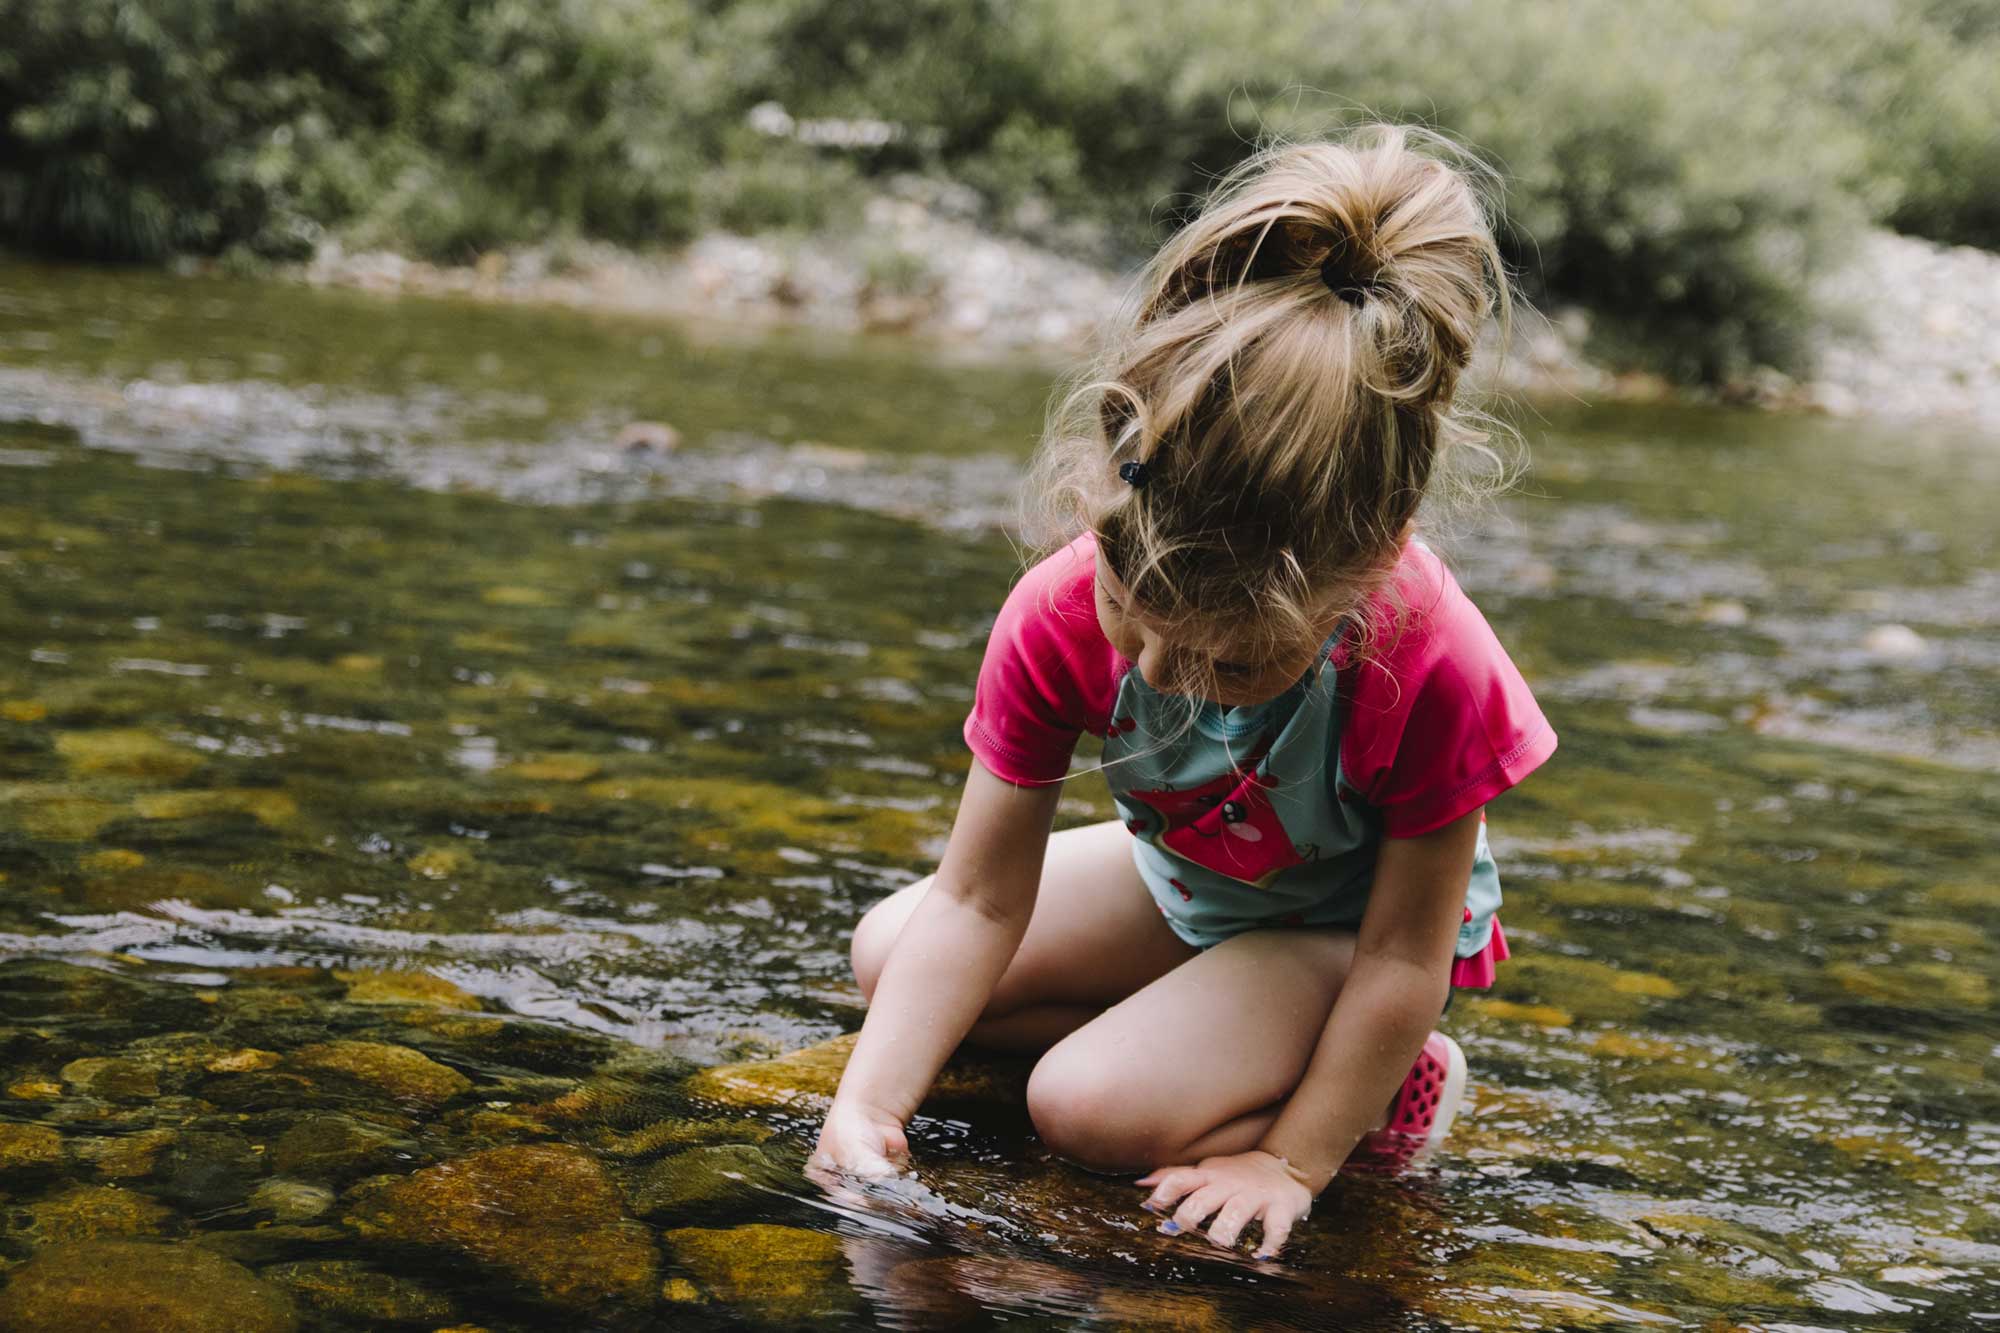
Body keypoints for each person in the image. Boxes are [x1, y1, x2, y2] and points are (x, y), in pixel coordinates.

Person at [809, 124, 1557, 1261]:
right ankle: (1204, 1037)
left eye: (1228, 664)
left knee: (1082, 1109)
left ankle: (1381, 1089)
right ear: (1103, 507)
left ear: (1364, 574)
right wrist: (865, 1108)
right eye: (1135, 622)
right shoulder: (1060, 607)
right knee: (890, 955)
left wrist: (1290, 1158)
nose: (1158, 678)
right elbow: (975, 899)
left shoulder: (1430, 663)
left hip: (1338, 937)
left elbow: (1406, 957)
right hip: (1192, 883)